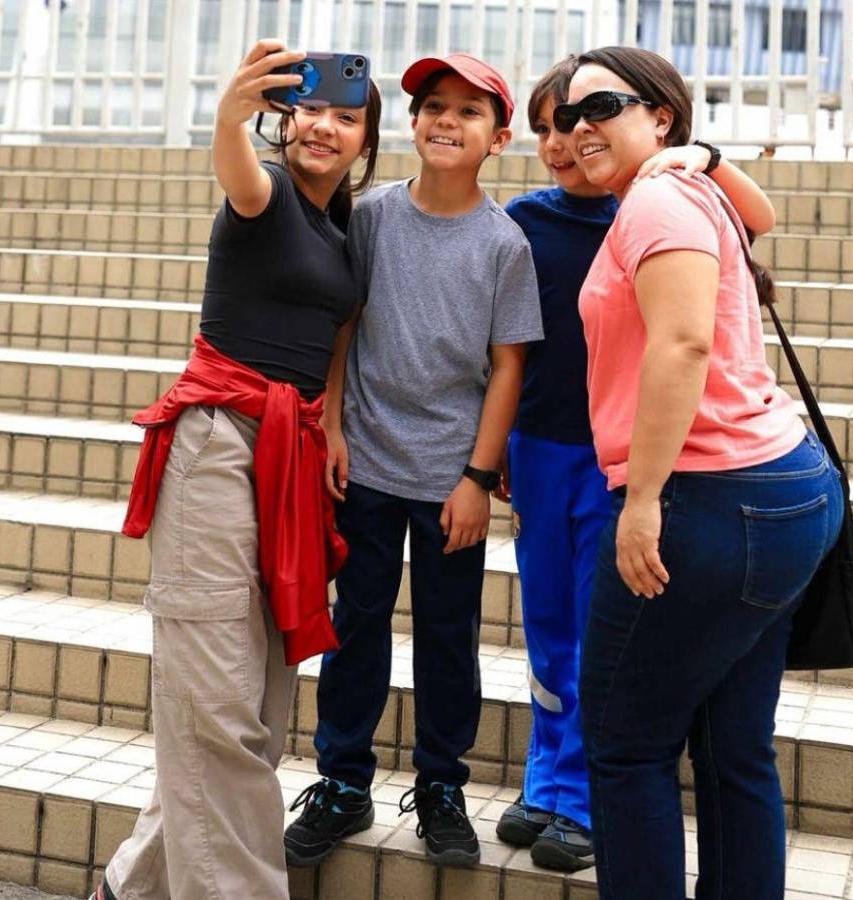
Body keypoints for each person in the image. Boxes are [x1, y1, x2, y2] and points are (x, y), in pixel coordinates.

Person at [93, 39, 380, 900]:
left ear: (367, 137)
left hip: (288, 461)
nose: (325, 126)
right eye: (310, 111)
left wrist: (329, 419)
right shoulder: (264, 197)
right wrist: (229, 109)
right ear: (284, 120)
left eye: (347, 116)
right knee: (217, 711)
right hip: (217, 449)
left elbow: (339, 335)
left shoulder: (343, 230)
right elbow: (235, 168)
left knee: (250, 709)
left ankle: (128, 888)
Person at [566, 47, 844, 900]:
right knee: (734, 748)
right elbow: (764, 215)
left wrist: (643, 498)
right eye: (570, 116)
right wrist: (708, 156)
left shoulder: (656, 199)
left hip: (710, 499)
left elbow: (681, 344)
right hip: (784, 489)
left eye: (602, 106)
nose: (581, 129)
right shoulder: (689, 188)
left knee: (624, 745)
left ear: (660, 115)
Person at [494, 57, 778, 874]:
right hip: (543, 450)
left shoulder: (651, 201)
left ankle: (582, 795)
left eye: (584, 118)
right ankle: (547, 776)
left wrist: (704, 155)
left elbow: (756, 225)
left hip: (622, 459)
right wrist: (500, 451)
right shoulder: (523, 220)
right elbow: (505, 349)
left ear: (651, 119)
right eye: (550, 125)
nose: (565, 140)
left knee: (598, 628)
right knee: (547, 622)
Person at [283, 53, 542, 870]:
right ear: (413, 120)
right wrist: (330, 426)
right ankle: (343, 781)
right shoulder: (374, 219)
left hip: (447, 484)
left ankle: (440, 786)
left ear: (498, 139)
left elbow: (508, 365)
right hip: (363, 464)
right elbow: (343, 325)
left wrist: (476, 477)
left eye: (470, 112)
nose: (446, 121)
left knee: (446, 636)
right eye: (435, 105)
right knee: (355, 626)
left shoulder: (505, 244)